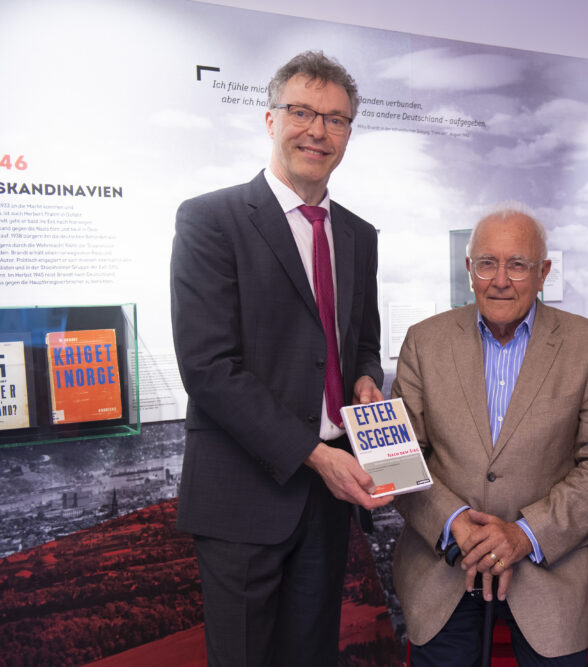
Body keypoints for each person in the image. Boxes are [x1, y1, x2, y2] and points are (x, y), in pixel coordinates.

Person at [170, 50, 390, 666]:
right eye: (301, 112)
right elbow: (209, 368)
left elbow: (361, 339)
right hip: (245, 496)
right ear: (271, 119)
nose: (317, 131)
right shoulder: (211, 221)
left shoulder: (358, 234)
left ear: (349, 133)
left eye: (336, 119)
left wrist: (368, 378)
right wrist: (316, 455)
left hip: (325, 502)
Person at [391, 208, 588, 665]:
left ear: (543, 272)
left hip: (550, 572)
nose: (500, 279)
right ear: (469, 270)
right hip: (443, 570)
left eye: (518, 265)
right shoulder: (424, 342)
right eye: (487, 263)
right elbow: (405, 460)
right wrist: (457, 524)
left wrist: (524, 534)